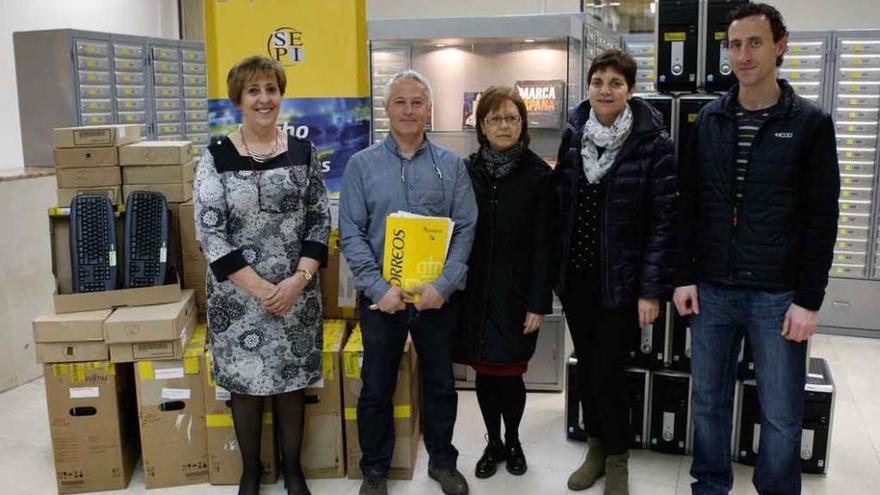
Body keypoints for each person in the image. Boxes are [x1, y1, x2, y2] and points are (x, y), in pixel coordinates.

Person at [673, 4, 839, 495]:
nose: (742, 55)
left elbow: (821, 217)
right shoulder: (709, 121)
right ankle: (710, 484)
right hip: (713, 292)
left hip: (776, 294)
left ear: (780, 46)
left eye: (754, 43)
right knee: (707, 401)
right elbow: (689, 206)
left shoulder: (809, 124)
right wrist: (684, 275)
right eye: (734, 45)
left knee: (783, 411)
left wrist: (808, 299)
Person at [194, 55, 330, 495]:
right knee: (246, 387)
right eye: (253, 91)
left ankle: (293, 471)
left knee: (291, 385)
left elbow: (319, 220)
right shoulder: (215, 158)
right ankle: (251, 473)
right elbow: (210, 232)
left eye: (271, 89)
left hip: (297, 293)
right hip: (239, 300)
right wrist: (261, 288)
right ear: (239, 99)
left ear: (281, 95)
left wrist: (298, 281)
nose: (264, 99)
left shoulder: (303, 153)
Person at [339, 70, 477, 495]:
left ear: (429, 109)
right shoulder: (361, 166)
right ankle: (375, 471)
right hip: (383, 301)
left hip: (436, 299)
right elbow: (351, 233)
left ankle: (442, 461)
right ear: (387, 109)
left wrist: (445, 285)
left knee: (439, 385)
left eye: (417, 102)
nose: (409, 110)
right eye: (400, 102)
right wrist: (380, 289)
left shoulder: (452, 166)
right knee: (376, 389)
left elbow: (466, 227)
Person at [556, 49, 678, 495]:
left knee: (610, 371)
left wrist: (651, 290)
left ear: (630, 90)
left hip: (622, 284)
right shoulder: (573, 136)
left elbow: (664, 221)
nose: (605, 90)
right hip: (578, 280)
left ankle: (618, 458)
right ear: (588, 87)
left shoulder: (651, 143)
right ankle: (595, 448)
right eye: (598, 81)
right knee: (587, 368)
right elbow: (563, 207)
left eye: (615, 82)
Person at [456, 86, 558, 480]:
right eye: (495, 118)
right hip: (476, 292)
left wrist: (537, 301)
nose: (504, 125)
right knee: (484, 372)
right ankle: (493, 443)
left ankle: (513, 439)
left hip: (517, 293)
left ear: (523, 124)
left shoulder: (538, 175)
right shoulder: (467, 171)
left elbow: (545, 245)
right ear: (481, 125)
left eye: (512, 118)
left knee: (511, 373)